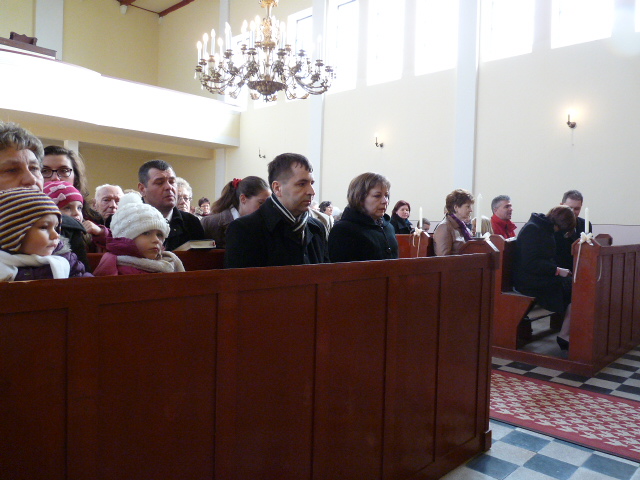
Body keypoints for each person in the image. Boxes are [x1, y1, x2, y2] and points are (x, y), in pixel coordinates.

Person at [224, 153, 329, 268]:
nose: (312, 191)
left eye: (311, 183)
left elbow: (326, 275)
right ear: (277, 188)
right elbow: (240, 279)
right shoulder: (244, 229)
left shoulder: (317, 228)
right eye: (302, 184)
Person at [514, 205, 576, 350]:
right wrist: (557, 270)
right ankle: (565, 335)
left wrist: (558, 270)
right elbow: (530, 263)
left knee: (576, 286)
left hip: (538, 276)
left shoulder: (543, 227)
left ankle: (566, 333)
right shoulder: (532, 229)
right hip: (527, 280)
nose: (559, 232)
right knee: (573, 289)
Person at [0, 187, 90, 281]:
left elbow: (86, 284)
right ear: (12, 233)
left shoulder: (67, 260)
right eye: (44, 227)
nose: (56, 235)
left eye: (55, 228)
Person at [94, 193, 185, 276]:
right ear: (126, 238)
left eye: (159, 235)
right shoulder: (115, 269)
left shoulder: (169, 262)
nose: (156, 240)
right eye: (146, 233)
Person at [328, 172, 398, 262]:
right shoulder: (343, 230)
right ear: (360, 198)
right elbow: (342, 268)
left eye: (386, 195)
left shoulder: (389, 227)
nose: (385, 201)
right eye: (377, 196)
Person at [137, 160, 205, 251]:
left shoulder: (191, 223)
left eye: (172, 182)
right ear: (142, 189)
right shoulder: (128, 221)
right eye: (160, 182)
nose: (169, 187)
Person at [202, 177, 271, 248]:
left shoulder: (266, 225)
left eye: (268, 204)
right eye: (261, 203)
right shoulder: (211, 224)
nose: (266, 208)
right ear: (243, 199)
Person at [44, 181, 109, 252]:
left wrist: (101, 232)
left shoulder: (87, 233)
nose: (77, 213)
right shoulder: (48, 237)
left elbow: (115, 245)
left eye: (79, 208)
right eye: (67, 208)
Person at [555, 189, 592, 270]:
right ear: (561, 205)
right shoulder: (554, 225)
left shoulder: (585, 224)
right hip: (558, 270)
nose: (573, 212)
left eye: (577, 209)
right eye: (569, 208)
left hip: (579, 268)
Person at [433, 189, 474, 256]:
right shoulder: (444, 227)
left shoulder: (462, 226)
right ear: (456, 207)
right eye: (468, 206)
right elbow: (442, 258)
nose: (471, 210)